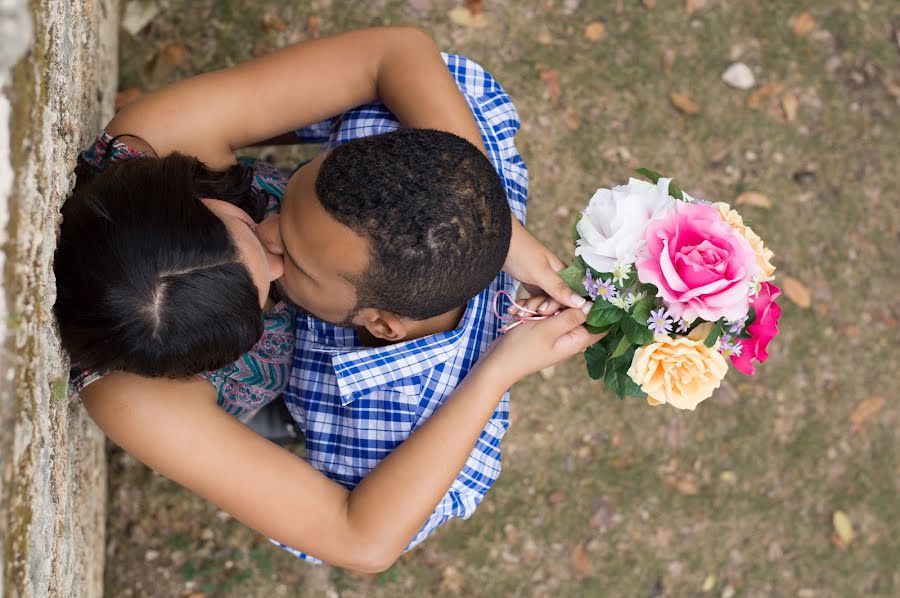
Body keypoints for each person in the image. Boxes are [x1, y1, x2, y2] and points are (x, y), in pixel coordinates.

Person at [59, 27, 600, 570]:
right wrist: (496, 373)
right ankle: (277, 416)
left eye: (252, 223)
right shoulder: (137, 397)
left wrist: (497, 228)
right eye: (271, 275)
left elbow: (397, 51)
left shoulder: (161, 136)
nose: (272, 247)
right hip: (249, 393)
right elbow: (360, 540)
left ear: (180, 194)